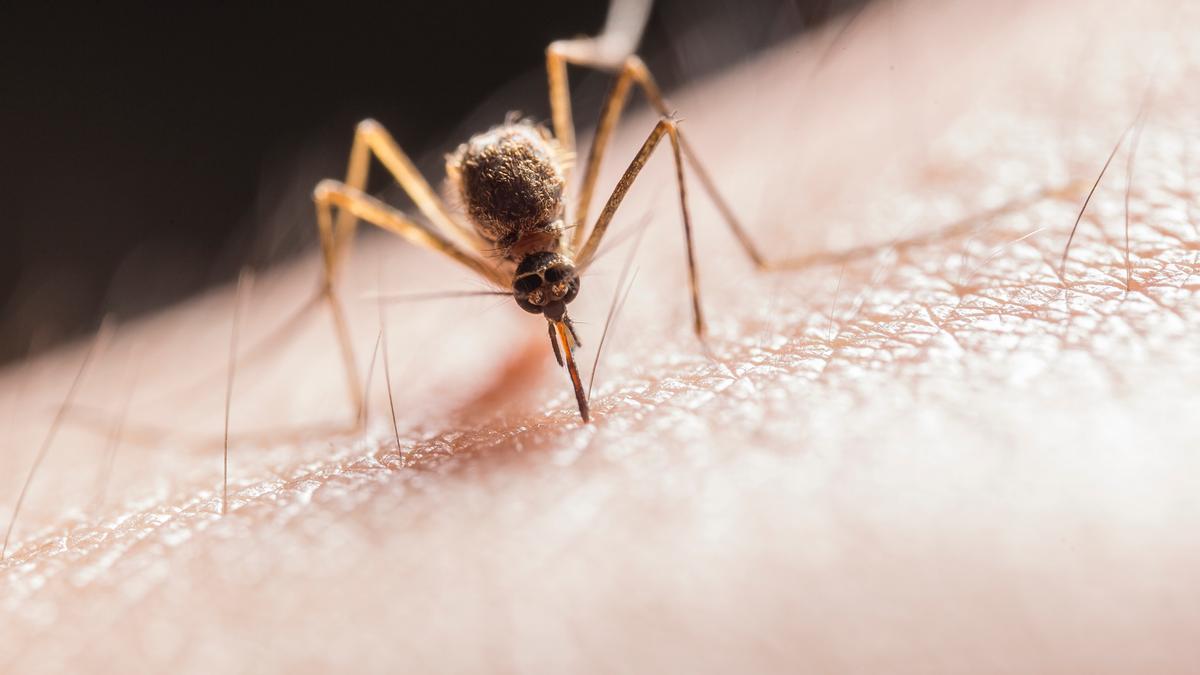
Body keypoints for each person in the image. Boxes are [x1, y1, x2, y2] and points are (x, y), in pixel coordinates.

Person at [1, 0, 1197, 671]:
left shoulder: (565, 225)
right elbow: (357, 188)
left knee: (648, 124)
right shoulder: (497, 248)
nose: (559, 313)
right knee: (349, 178)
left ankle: (772, 266)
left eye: (553, 293)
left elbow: (659, 129)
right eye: (548, 295)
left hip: (538, 182)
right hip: (499, 194)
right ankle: (318, 387)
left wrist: (728, 292)